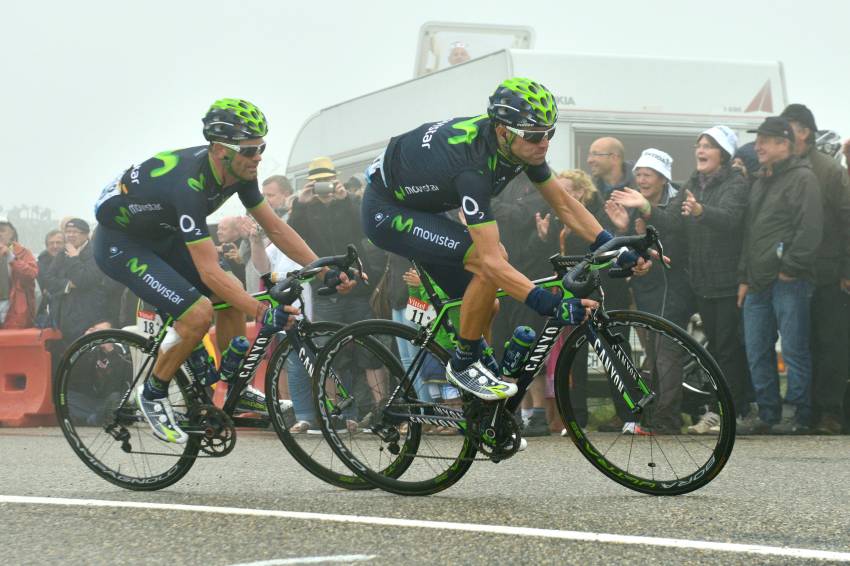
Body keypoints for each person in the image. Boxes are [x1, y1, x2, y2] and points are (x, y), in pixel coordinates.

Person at [361, 77, 650, 402]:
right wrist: (551, 304)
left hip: (423, 204)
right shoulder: (474, 169)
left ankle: (481, 406)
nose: (545, 144)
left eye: (550, 132)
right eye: (535, 136)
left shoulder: (517, 146)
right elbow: (490, 262)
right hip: (387, 210)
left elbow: (565, 204)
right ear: (503, 131)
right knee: (488, 261)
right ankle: (464, 364)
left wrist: (612, 245)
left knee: (490, 303)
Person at [92, 99, 354, 444]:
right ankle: (153, 393)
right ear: (219, 150)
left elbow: (275, 228)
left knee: (229, 296)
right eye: (249, 150)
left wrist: (322, 269)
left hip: (161, 233)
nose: (258, 156)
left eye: (261, 146)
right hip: (122, 243)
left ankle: (233, 387)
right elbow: (207, 270)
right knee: (198, 313)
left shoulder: (240, 171)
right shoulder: (188, 185)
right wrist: (262, 311)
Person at [736, 117, 823, 435]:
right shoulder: (761, 180)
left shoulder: (803, 178)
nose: (757, 145)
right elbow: (751, 233)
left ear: (783, 144)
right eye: (758, 139)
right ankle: (769, 412)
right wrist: (744, 276)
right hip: (757, 281)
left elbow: (810, 229)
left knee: (794, 348)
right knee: (757, 348)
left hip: (790, 281)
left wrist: (790, 268)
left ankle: (798, 414)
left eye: (765, 140)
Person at [609, 149, 695, 434]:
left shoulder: (680, 196)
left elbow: (675, 230)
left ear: (662, 178)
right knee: (651, 352)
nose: (641, 179)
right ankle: (652, 415)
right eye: (639, 174)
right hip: (645, 288)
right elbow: (635, 244)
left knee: (666, 353)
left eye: (648, 174)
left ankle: (668, 418)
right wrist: (623, 228)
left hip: (674, 286)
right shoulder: (634, 202)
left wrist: (645, 208)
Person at [780, 104, 850, 434]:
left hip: (827, 274)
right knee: (800, 344)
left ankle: (830, 411)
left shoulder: (829, 171)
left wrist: (847, 269)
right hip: (791, 275)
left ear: (805, 131)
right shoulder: (781, 169)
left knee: (830, 343)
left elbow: (848, 220)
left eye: (788, 127)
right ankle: (803, 412)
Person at [43, 219, 115, 344]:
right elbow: (48, 279)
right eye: (68, 231)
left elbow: (84, 279)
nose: (70, 235)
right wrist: (67, 284)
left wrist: (74, 258)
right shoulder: (63, 252)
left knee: (86, 352)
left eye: (75, 232)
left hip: (89, 314)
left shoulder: (96, 253)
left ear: (86, 234)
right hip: (65, 314)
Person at [0, 220, 38, 329]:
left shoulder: (24, 252)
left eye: (2, 231)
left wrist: (11, 258)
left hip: (14, 308)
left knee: (11, 343)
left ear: (12, 233)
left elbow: (31, 274)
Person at [35, 229, 64, 327]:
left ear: (65, 244)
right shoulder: (39, 265)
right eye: (51, 243)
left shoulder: (72, 260)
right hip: (47, 308)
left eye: (58, 243)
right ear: (47, 246)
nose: (55, 246)